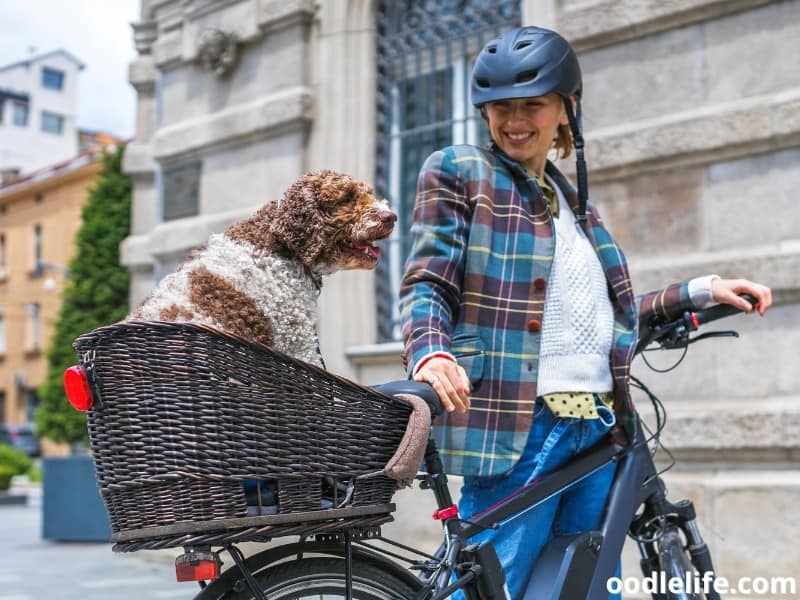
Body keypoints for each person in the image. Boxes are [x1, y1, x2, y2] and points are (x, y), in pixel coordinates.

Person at [399, 26, 772, 600]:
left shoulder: (573, 203)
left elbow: (607, 317)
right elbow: (427, 280)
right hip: (521, 426)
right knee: (492, 586)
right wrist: (430, 350)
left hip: (597, 425)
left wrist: (703, 289)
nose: (515, 120)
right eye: (500, 107)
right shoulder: (461, 170)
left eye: (532, 105)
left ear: (566, 110)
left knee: (586, 588)